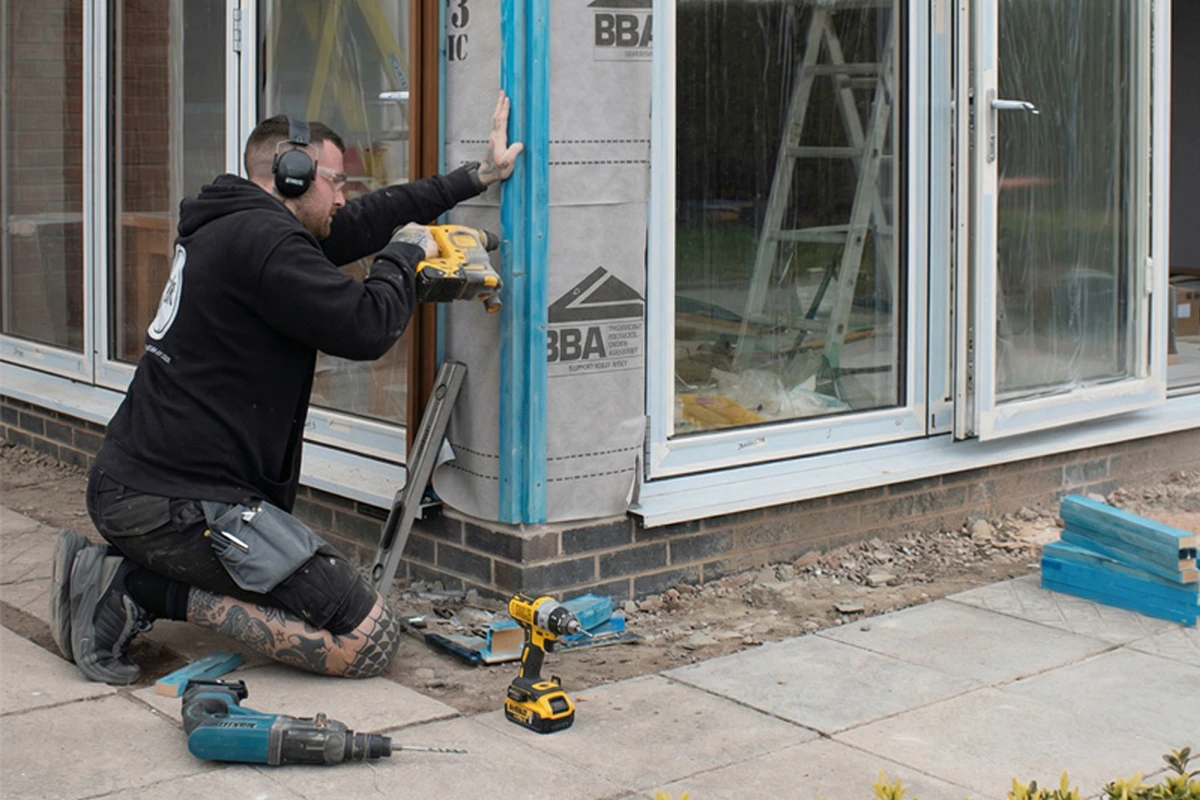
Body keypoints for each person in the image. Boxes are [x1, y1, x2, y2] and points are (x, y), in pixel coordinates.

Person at [48, 91, 523, 685]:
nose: (344, 196)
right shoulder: (266, 244)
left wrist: (475, 177)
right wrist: (403, 258)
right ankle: (130, 590)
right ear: (292, 176)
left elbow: (363, 220)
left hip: (141, 488)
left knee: (299, 596)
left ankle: (132, 574)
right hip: (176, 503)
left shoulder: (237, 224)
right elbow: (365, 325)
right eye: (336, 181)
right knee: (366, 641)